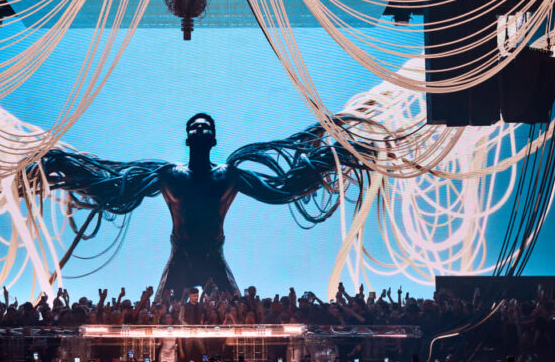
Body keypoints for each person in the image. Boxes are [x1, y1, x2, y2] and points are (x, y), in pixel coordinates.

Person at [39, 113, 376, 296]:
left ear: (213, 139)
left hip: (213, 256)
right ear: (187, 138)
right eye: (194, 127)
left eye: (205, 127)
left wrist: (338, 156)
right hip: (181, 257)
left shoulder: (228, 176)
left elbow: (282, 188)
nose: (200, 129)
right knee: (159, 320)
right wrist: (59, 165)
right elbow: (116, 189)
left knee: (238, 321)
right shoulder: (169, 175)